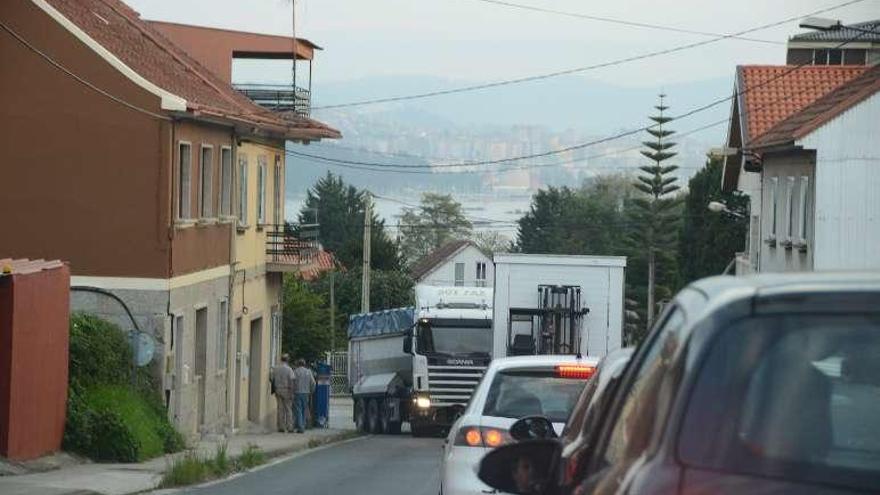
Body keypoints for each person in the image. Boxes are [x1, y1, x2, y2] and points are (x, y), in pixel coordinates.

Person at [271, 354, 295, 433]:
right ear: (287, 360)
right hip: (286, 390)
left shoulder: (275, 368)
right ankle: (289, 427)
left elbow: (271, 378)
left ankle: (281, 427)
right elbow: (291, 381)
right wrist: (291, 392)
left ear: (281, 359)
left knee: (280, 409)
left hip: (278, 389)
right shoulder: (289, 369)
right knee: (288, 409)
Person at [292, 358, 316, 433]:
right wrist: (311, 391)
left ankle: (300, 427)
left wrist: (292, 391)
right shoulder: (308, 372)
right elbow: (313, 383)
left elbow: (292, 382)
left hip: (297, 392)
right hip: (306, 393)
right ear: (304, 364)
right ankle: (303, 425)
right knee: (304, 409)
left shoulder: (295, 372)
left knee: (298, 410)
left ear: (298, 364)